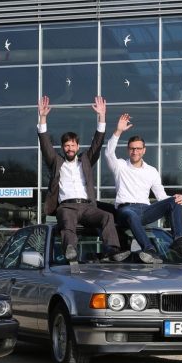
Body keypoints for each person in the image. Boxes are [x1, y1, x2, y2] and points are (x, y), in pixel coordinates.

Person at [37, 95, 129, 262]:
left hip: (87, 207)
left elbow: (97, 144)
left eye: (73, 145)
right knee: (67, 222)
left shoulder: (86, 160)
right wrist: (42, 117)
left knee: (107, 216)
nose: (70, 148)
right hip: (67, 206)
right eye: (67, 145)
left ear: (78, 147)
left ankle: (112, 250)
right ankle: (70, 250)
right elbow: (45, 145)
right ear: (63, 148)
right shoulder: (56, 162)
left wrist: (102, 116)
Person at [104, 112, 182, 263]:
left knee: (174, 201)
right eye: (132, 149)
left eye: (138, 148)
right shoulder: (120, 166)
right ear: (128, 150)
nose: (135, 152)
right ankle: (149, 249)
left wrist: (176, 197)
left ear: (144, 150)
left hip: (146, 210)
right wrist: (118, 131)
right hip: (125, 210)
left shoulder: (151, 171)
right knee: (131, 214)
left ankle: (178, 241)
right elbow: (109, 153)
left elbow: (161, 197)